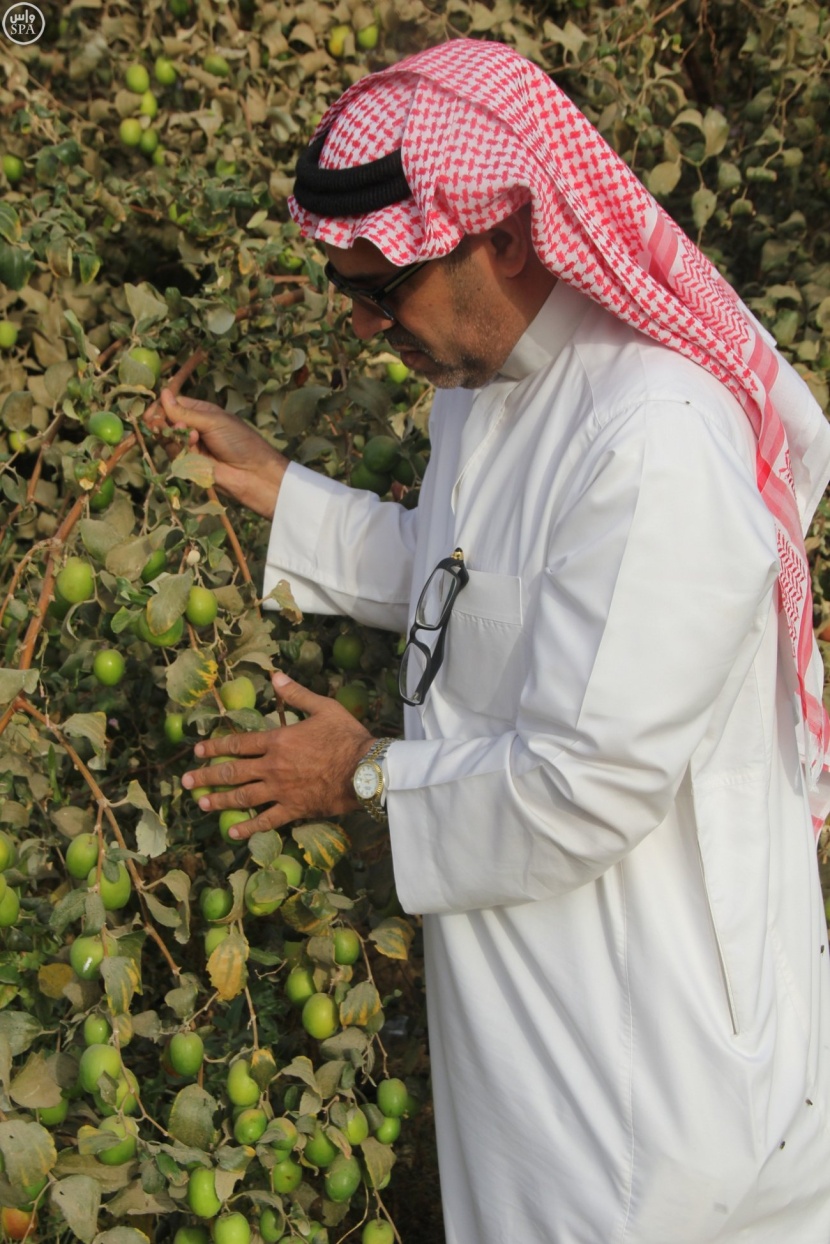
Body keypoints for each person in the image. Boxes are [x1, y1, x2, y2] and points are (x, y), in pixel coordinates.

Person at [158, 38, 830, 1244]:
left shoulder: (651, 440)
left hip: (646, 1080)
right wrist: (284, 492)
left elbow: (582, 782)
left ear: (505, 239)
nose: (365, 325)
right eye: (347, 292)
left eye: (384, 290)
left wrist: (359, 773)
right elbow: (470, 581)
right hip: (538, 1021)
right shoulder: (486, 388)